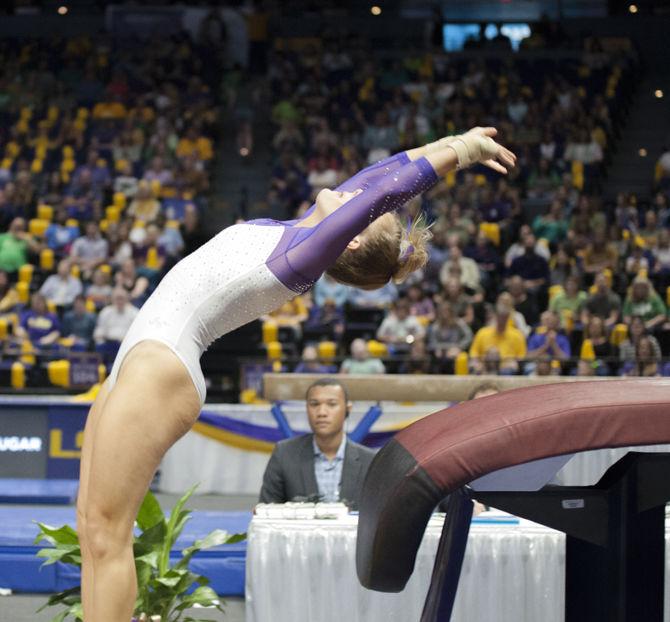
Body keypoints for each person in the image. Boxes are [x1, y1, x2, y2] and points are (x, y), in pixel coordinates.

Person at [76, 127, 515, 621]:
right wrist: (453, 138)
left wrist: (465, 152)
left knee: (109, 534)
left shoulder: (304, 257)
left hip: (162, 364)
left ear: (348, 240)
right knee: (93, 531)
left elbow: (385, 190)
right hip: (138, 359)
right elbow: (380, 176)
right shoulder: (300, 230)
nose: (353, 191)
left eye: (365, 211)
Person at [259, 378, 376, 509]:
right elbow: (266, 512)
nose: (321, 413)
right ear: (307, 408)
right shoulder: (284, 453)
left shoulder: (370, 461)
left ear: (347, 409)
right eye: (314, 404)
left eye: (332, 404)